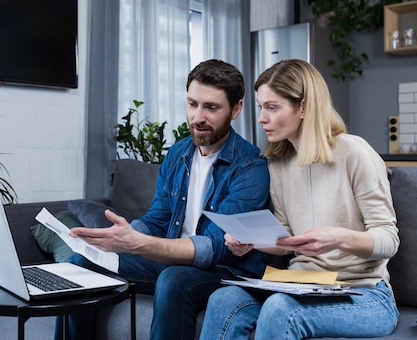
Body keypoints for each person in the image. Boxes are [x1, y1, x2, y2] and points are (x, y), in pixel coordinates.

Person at [57, 59, 271, 340]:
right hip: (173, 261)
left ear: (236, 109)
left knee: (175, 279)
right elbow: (158, 218)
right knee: (79, 264)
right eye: (192, 104)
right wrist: (121, 236)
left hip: (226, 271)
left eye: (211, 107)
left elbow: (216, 247)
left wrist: (141, 244)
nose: (198, 117)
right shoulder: (179, 152)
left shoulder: (250, 166)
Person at [199, 59, 400, 340]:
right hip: (302, 283)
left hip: (364, 293)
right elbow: (287, 239)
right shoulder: (278, 163)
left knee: (281, 309)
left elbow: (389, 240)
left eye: (272, 107)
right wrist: (253, 241)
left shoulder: (354, 153)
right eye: (260, 107)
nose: (261, 118)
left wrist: (338, 238)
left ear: (303, 107)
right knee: (224, 299)